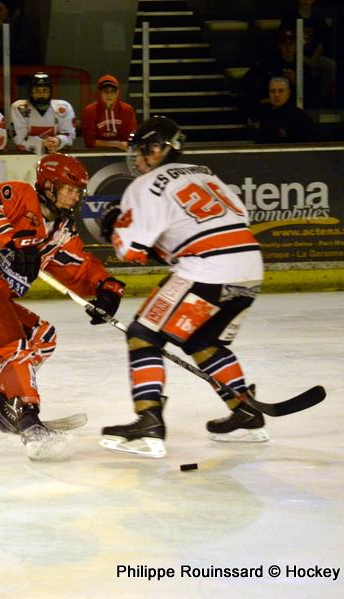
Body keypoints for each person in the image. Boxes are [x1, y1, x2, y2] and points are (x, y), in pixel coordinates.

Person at [0, 153, 125, 460]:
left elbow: (77, 265)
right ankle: (29, 422)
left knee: (42, 336)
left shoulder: (61, 230)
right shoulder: (20, 195)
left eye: (78, 190)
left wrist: (105, 286)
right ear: (48, 185)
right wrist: (12, 239)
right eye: (69, 188)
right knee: (15, 347)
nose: (75, 195)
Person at [97, 116, 265, 458]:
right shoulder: (206, 173)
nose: (138, 160)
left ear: (158, 150)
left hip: (207, 269)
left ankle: (148, 423)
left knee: (143, 334)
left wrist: (114, 227)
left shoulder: (145, 186)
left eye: (143, 152)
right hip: (249, 269)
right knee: (204, 340)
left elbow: (130, 250)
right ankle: (245, 412)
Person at [280, 0, 336, 108]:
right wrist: (304, 59)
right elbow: (286, 42)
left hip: (313, 56)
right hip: (293, 56)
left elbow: (321, 44)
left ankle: (321, 98)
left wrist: (313, 60)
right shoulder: (289, 16)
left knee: (330, 65)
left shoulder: (318, 18)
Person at [9, 72, 76, 154]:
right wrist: (42, 143)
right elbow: (19, 139)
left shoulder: (63, 108)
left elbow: (69, 135)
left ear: (50, 91)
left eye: (45, 90)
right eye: (37, 90)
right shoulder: (20, 108)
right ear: (30, 92)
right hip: (25, 156)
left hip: (55, 154)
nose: (41, 94)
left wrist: (58, 141)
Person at [81, 74, 137, 150]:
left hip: (121, 153)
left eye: (113, 91)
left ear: (117, 93)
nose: (109, 95)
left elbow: (129, 140)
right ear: (99, 93)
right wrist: (117, 144)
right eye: (105, 91)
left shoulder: (127, 110)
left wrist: (120, 145)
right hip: (96, 154)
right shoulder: (90, 111)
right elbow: (90, 142)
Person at [255, 76, 314, 143]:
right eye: (272, 91)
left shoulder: (300, 117)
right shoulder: (266, 117)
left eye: (281, 91)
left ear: (288, 93)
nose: (276, 95)